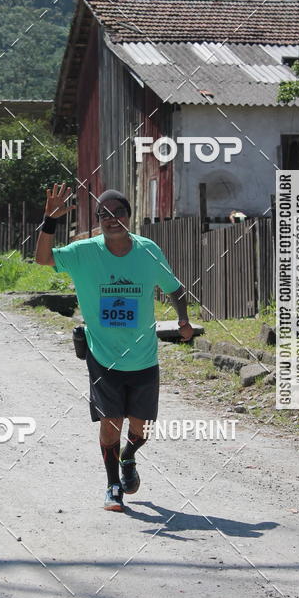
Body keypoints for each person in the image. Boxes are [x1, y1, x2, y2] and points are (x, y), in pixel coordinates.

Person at [35, 183, 194, 512]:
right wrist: (50, 219)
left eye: (118, 212)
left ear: (128, 217)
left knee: (141, 429)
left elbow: (175, 289)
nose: (111, 219)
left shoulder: (148, 251)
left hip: (143, 357)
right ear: (97, 220)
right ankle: (112, 487)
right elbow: (42, 258)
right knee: (111, 422)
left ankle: (128, 457)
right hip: (102, 355)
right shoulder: (84, 252)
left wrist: (183, 320)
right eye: (104, 214)